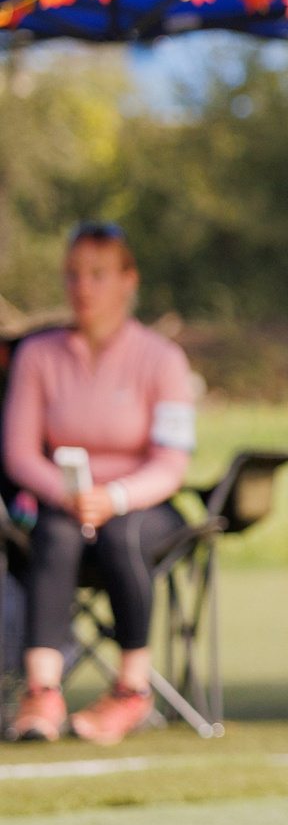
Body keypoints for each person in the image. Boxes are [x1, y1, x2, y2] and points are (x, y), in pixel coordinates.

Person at [3, 223, 196, 744]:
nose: (82, 288)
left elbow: (171, 465)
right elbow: (19, 453)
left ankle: (132, 688)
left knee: (121, 533)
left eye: (97, 275)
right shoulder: (37, 355)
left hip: (144, 507)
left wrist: (114, 498)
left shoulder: (163, 360)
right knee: (55, 532)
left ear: (128, 280)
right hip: (62, 503)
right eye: (72, 275)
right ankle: (42, 691)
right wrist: (67, 494)